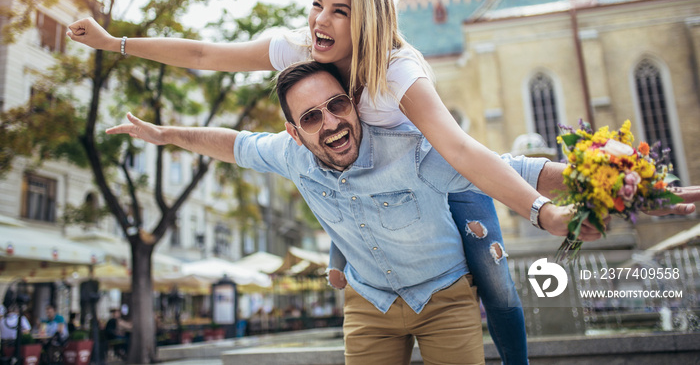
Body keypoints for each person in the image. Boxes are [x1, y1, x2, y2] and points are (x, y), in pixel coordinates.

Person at [67, 0, 698, 364]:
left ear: (366, 22)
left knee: (500, 289)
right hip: (359, 209)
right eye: (318, 3)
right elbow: (206, 55)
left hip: (440, 180)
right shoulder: (296, 54)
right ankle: (347, 256)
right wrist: (115, 42)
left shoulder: (397, 73)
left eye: (339, 11)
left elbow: (463, 151)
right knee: (333, 184)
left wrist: (548, 209)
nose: (321, 19)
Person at [106, 60, 612, 364]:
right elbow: (231, 143)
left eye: (337, 106)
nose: (331, 123)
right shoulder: (289, 157)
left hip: (445, 298)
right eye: (310, 117)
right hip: (369, 306)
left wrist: (613, 180)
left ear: (352, 101)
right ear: (294, 132)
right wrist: (165, 134)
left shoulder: (411, 151)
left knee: (501, 290)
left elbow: (512, 168)